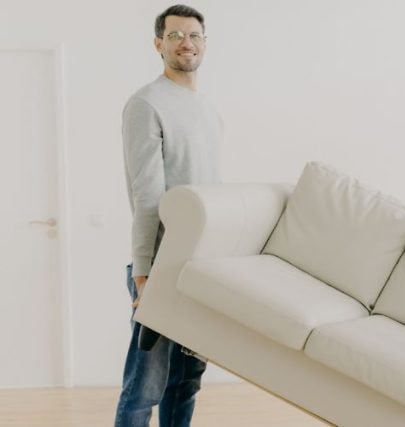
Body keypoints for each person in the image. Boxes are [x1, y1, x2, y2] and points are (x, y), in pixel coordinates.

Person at [116, 4, 221, 426]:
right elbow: (147, 196)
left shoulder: (206, 108)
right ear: (159, 44)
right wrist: (143, 275)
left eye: (193, 35)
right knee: (145, 388)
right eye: (175, 36)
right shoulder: (146, 104)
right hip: (160, 268)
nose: (186, 43)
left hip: (199, 266)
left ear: (204, 44)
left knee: (186, 381)